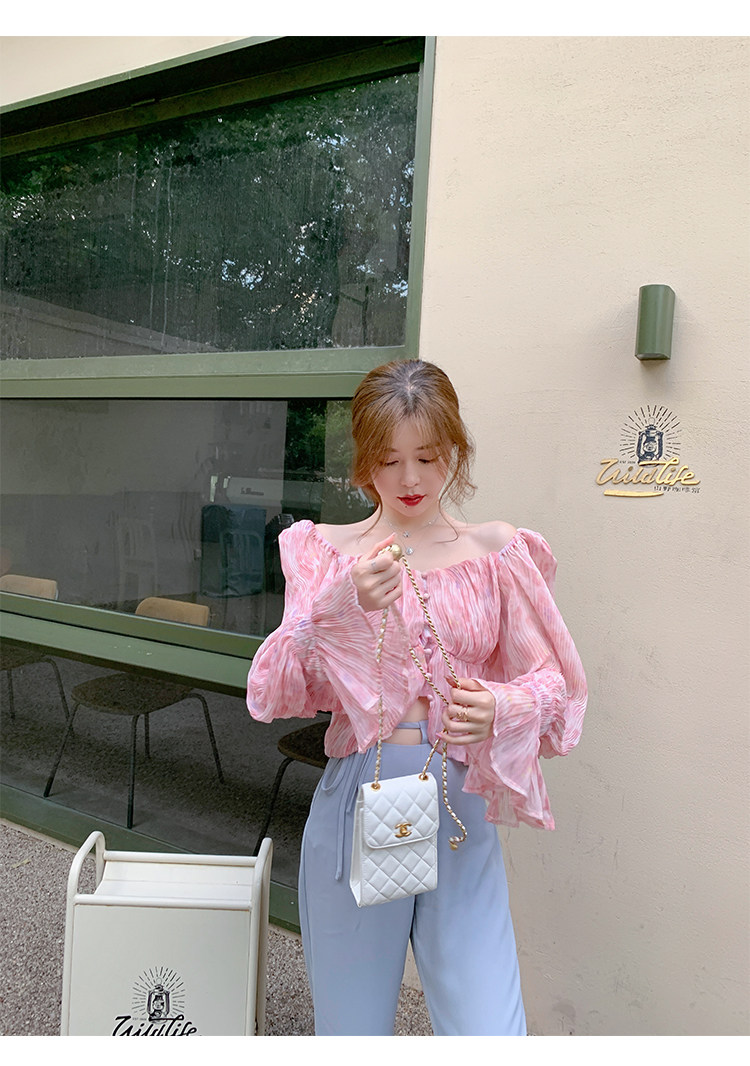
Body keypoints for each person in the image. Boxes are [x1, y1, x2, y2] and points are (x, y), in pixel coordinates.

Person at [247, 359, 587, 1036]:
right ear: (363, 461)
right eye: (389, 459)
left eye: (427, 458)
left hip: (459, 804)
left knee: (488, 1027)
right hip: (360, 795)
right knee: (352, 1027)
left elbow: (558, 686)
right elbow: (276, 685)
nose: (409, 480)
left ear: (453, 451)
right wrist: (340, 608)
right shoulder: (326, 553)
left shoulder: (496, 554)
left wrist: (502, 706)